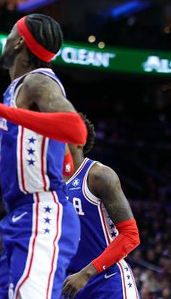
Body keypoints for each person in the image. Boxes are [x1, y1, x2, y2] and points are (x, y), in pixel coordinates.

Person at [0, 13, 88, 298]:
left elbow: (77, 130)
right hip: (21, 217)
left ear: (19, 43)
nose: (6, 38)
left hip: (42, 215)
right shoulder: (19, 88)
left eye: (11, 33)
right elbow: (64, 163)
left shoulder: (39, 82)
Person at [61, 114, 140, 298]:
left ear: (79, 141)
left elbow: (131, 236)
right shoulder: (51, 181)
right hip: (71, 284)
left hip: (107, 281)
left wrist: (86, 273)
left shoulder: (99, 175)